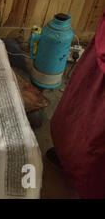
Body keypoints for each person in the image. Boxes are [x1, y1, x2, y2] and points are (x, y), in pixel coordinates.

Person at [48, 10, 105, 198]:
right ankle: (67, 158)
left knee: (95, 139)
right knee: (77, 114)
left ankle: (83, 182)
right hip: (99, 65)